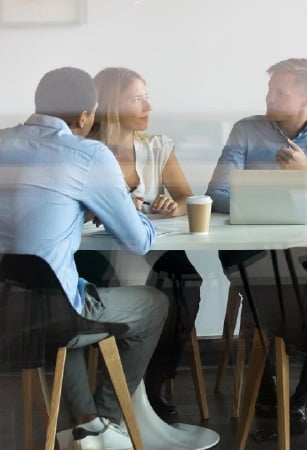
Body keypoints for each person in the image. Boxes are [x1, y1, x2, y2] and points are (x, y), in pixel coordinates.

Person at [0, 67, 168, 450]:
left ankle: (82, 424)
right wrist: (125, 206)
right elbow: (137, 241)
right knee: (153, 304)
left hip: (7, 306)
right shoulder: (88, 153)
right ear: (84, 117)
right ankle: (107, 420)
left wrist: (76, 210)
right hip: (54, 313)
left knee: (56, 300)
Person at [206, 57, 307, 433]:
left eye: (280, 92)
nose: (269, 98)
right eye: (270, 90)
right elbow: (216, 193)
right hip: (252, 245)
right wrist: (271, 194)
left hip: (306, 248)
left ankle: (305, 394)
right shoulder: (245, 130)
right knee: (270, 281)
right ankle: (266, 385)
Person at [86, 66, 199, 424]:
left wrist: (170, 205)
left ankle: (148, 388)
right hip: (98, 255)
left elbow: (185, 198)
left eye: (146, 97)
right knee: (136, 295)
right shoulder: (84, 151)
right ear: (109, 104)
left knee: (186, 287)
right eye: (137, 99)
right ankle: (118, 395)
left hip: (155, 247)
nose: (148, 106)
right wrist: (108, 212)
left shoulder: (157, 147)